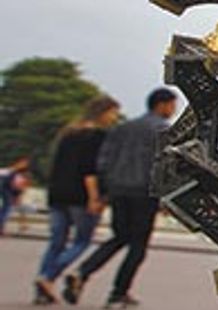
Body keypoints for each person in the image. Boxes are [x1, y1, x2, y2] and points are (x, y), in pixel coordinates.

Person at [63, 88, 176, 308]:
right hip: (144, 192)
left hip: (119, 190)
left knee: (120, 236)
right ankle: (118, 292)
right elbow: (167, 165)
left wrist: (106, 191)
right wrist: (167, 196)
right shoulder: (163, 130)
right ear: (162, 105)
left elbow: (103, 162)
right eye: (173, 105)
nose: (173, 110)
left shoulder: (122, 128)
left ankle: (82, 272)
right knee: (138, 246)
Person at [33, 95, 120, 305]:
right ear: (104, 112)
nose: (114, 118)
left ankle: (42, 286)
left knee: (56, 242)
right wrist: (95, 197)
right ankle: (48, 277)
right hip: (80, 195)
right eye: (113, 113)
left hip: (57, 192)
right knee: (82, 240)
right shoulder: (98, 136)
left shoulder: (68, 133)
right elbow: (89, 170)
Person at [1, 157, 32, 236]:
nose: (25, 164)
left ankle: (2, 227)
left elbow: (21, 186)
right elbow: (12, 184)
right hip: (8, 192)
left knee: (6, 209)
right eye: (23, 162)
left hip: (10, 192)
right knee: (6, 210)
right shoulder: (13, 172)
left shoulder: (21, 173)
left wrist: (18, 194)